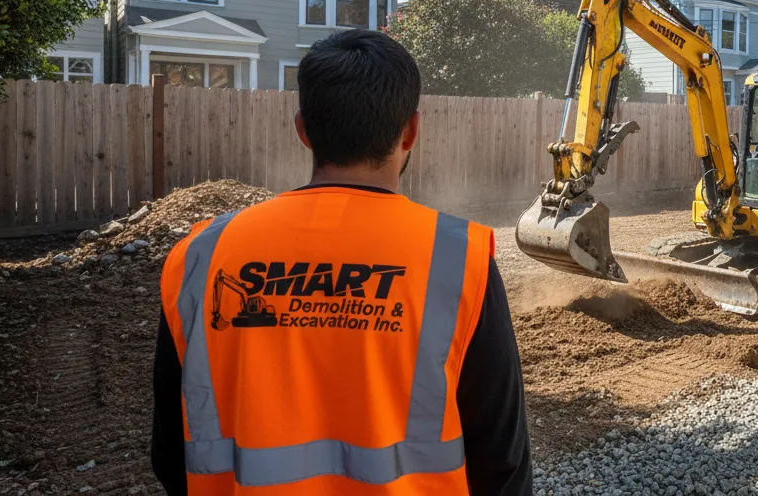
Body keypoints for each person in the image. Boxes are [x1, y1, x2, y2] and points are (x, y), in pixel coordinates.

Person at [150, 29, 533, 495]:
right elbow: (502, 462)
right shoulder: (459, 257)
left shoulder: (200, 256)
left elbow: (171, 453)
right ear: (411, 130)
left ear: (303, 129)